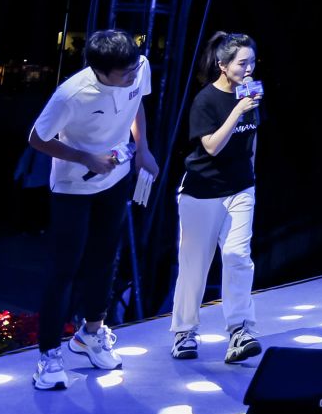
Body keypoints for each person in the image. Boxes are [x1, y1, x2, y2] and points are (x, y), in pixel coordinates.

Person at [25, 28, 159, 391]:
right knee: (64, 270)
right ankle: (49, 355)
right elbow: (37, 138)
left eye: (134, 68)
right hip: (73, 187)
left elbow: (136, 102)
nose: (133, 75)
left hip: (115, 178)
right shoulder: (72, 94)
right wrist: (85, 157)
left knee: (104, 259)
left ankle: (91, 334)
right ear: (100, 70)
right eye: (125, 73)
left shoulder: (138, 67)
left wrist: (142, 149)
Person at [170, 32, 263, 364]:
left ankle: (240, 330)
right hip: (202, 191)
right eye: (242, 63)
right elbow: (210, 146)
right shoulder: (206, 100)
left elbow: (251, 139)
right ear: (223, 65)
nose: (249, 69)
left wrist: (250, 176)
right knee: (195, 266)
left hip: (240, 188)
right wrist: (237, 110)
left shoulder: (251, 96)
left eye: (252, 62)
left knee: (238, 255)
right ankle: (184, 332)